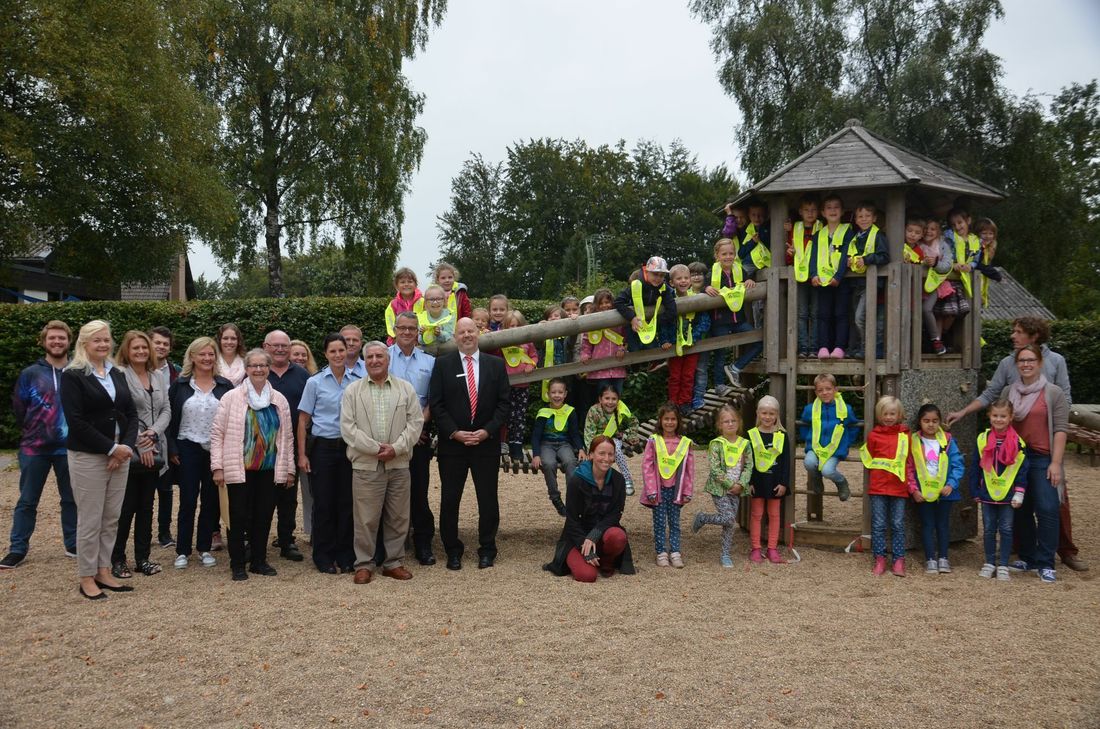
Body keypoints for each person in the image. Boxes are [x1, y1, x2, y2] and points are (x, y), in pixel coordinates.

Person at [944, 316, 1083, 572]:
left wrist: (1056, 456)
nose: (1013, 336)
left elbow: (1064, 404)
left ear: (1034, 336)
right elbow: (992, 395)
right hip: (1016, 452)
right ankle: (1027, 554)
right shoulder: (1009, 368)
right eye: (1013, 332)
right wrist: (964, 411)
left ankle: (1061, 553)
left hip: (1044, 449)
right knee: (1020, 504)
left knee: (1051, 504)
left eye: (1018, 332)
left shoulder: (1055, 365)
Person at [60, 320, 138, 600]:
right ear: (84, 344)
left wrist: (126, 446)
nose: (103, 344)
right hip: (89, 456)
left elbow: (130, 412)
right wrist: (110, 449)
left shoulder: (117, 372)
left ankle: (104, 570)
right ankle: (86, 576)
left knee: (111, 518)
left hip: (120, 456)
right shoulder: (73, 375)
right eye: (97, 340)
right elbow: (76, 422)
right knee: (90, 520)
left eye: (106, 340)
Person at [428, 317, 511, 570]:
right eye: (461, 332)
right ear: (455, 337)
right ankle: (452, 549)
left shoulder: (495, 365)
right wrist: (454, 432)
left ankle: (487, 548)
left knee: (487, 499)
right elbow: (437, 404)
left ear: (478, 334)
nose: (466, 335)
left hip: (486, 445)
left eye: (471, 331)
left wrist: (487, 432)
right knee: (450, 499)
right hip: (453, 445)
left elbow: (503, 404)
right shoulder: (442, 365)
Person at [340, 341, 424, 583]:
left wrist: (396, 449)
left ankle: (393, 563)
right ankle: (364, 564)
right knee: (366, 518)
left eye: (380, 356)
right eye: (370, 357)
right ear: (364, 361)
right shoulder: (353, 391)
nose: (375, 361)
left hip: (398, 464)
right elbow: (348, 429)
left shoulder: (405, 389)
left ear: (388, 360)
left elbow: (415, 423)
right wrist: (376, 449)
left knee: (398, 517)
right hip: (366, 465)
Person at [211, 348, 294, 581]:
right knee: (237, 517)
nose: (258, 369)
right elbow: (217, 433)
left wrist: (289, 470)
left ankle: (259, 560)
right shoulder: (231, 398)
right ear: (246, 369)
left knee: (264, 516)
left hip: (268, 469)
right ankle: (238, 564)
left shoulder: (279, 400)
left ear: (268, 369)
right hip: (239, 469)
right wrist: (217, 467)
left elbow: (287, 438)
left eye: (263, 365)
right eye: (254, 366)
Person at [2, 321, 77, 569]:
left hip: (70, 447)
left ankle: (73, 543)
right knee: (27, 500)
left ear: (69, 341)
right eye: (52, 338)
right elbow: (19, 408)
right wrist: (37, 431)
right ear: (44, 341)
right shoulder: (30, 373)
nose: (57, 342)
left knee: (71, 498)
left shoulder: (77, 372)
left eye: (62, 338)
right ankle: (17, 548)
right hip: (35, 448)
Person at [1003, 344, 1069, 583]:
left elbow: (1061, 429)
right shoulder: (1009, 391)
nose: (1026, 364)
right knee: (1020, 508)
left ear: (1040, 363)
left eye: (1031, 360)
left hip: (1042, 457)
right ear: (1016, 364)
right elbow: (1001, 423)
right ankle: (1028, 556)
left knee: (1047, 508)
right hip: (1017, 458)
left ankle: (1046, 562)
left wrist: (1056, 463)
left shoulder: (1053, 393)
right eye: (1021, 360)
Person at [167, 337, 233, 569]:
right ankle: (182, 550)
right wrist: (172, 448)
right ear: (192, 357)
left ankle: (204, 547)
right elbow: (171, 418)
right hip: (187, 448)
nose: (207, 358)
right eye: (202, 354)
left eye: (211, 354)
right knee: (187, 500)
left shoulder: (225, 386)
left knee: (211, 501)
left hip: (215, 450)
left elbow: (232, 421)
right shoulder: (181, 385)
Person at [110, 330, 171, 578]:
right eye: (135, 348)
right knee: (126, 508)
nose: (141, 352)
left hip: (157, 448)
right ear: (127, 350)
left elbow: (167, 409)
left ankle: (142, 557)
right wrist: (140, 443)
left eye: (144, 348)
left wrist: (154, 435)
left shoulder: (157, 376)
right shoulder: (119, 376)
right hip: (130, 450)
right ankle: (117, 559)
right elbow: (120, 413)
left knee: (147, 506)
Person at [298, 333, 360, 573]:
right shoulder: (315, 382)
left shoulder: (358, 379)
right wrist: (302, 455)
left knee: (347, 503)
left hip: (349, 449)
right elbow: (303, 420)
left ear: (347, 352)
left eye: (341, 350)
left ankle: (346, 555)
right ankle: (323, 555)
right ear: (325, 354)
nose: (338, 355)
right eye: (332, 351)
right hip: (322, 448)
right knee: (323, 503)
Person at [543, 435, 635, 581]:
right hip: (578, 536)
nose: (606, 458)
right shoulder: (577, 480)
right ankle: (585, 556)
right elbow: (572, 519)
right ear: (591, 454)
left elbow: (615, 514)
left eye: (610, 454)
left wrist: (594, 535)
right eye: (601, 453)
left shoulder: (618, 480)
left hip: (603, 532)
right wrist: (582, 544)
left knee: (618, 537)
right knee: (587, 576)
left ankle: (606, 560)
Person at [387, 311, 437, 565]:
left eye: (412, 328)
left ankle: (423, 543)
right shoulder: (382, 358)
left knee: (419, 492)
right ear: (395, 330)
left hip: (419, 437)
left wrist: (414, 429)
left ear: (418, 332)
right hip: (389, 438)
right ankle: (390, 545)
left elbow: (433, 399)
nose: (407, 332)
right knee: (388, 492)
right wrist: (400, 434)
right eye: (402, 328)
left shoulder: (430, 362)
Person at [264, 329, 309, 562]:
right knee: (261, 496)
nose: (280, 349)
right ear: (265, 347)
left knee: (288, 497)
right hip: (263, 447)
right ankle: (257, 539)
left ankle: (286, 540)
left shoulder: (301, 375)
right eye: (275, 345)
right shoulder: (257, 372)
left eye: (285, 345)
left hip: (291, 444)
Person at [970, 399, 1027, 581]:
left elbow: (1022, 470)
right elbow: (975, 467)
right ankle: (989, 562)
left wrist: (1020, 492)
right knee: (988, 529)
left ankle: (1003, 564)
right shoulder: (982, 439)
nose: (999, 419)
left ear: (1011, 417)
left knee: (1006, 529)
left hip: (1009, 496)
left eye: (1003, 416)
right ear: (989, 416)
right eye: (995, 415)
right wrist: (974, 490)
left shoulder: (1018, 443)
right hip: (987, 493)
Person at [907, 403, 964, 576]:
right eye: (926, 421)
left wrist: (951, 484)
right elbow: (908, 467)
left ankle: (944, 558)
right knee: (927, 524)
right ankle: (930, 558)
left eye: (935, 421)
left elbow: (958, 464)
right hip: (923, 493)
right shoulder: (913, 440)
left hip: (944, 492)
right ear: (919, 422)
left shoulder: (947, 440)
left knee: (942, 525)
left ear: (940, 422)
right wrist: (913, 489)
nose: (931, 424)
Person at [691, 404, 751, 567]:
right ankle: (703, 518)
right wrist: (729, 484)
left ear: (739, 423)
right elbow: (715, 469)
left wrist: (741, 484)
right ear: (720, 425)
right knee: (729, 518)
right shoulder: (716, 444)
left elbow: (749, 466)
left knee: (729, 524)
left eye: (733, 420)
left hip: (737, 489)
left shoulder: (744, 444)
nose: (730, 424)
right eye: (726, 421)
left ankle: (725, 554)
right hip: (719, 489)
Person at [861, 396, 910, 576]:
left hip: (899, 487)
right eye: (885, 413)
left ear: (899, 415)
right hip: (879, 487)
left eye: (892, 413)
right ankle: (879, 558)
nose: (888, 417)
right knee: (879, 524)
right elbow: (868, 457)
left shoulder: (905, 435)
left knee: (897, 524)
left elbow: (909, 459)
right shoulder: (874, 435)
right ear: (879, 415)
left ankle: (899, 560)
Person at [641, 404, 693, 568]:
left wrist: (687, 490)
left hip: (675, 489)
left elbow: (690, 469)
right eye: (666, 419)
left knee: (675, 522)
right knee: (659, 522)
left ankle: (675, 551)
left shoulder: (684, 443)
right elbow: (647, 465)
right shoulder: (653, 441)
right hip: (658, 488)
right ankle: (661, 552)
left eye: (673, 419)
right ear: (660, 420)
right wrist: (651, 489)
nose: (669, 422)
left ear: (678, 421)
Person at [704, 239, 755, 392]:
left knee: (758, 340)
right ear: (717, 256)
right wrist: (706, 288)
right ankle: (719, 385)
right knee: (721, 352)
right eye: (724, 254)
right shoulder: (712, 272)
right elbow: (702, 288)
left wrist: (750, 281)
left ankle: (735, 367)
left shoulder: (739, 269)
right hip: (720, 320)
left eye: (731, 253)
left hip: (738, 319)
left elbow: (747, 281)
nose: (728, 257)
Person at [530, 378, 586, 516]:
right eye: (553, 392)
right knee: (548, 463)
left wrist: (581, 448)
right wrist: (536, 454)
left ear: (565, 394)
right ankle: (555, 497)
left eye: (560, 392)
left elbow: (574, 433)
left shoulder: (570, 411)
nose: (557, 395)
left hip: (564, 444)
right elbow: (536, 436)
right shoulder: (543, 412)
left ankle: (572, 497)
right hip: (546, 445)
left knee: (570, 462)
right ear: (548, 394)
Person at [801, 373, 860, 501]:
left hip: (835, 450)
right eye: (820, 390)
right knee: (809, 462)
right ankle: (817, 480)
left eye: (828, 389)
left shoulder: (846, 409)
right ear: (816, 392)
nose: (825, 393)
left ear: (835, 389)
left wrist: (847, 442)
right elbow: (804, 424)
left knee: (827, 471)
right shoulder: (810, 409)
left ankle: (841, 482)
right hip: (815, 447)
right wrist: (807, 437)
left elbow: (855, 425)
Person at [746, 395, 791, 564]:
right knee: (756, 514)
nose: (767, 417)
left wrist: (784, 483)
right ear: (758, 413)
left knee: (774, 515)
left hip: (776, 482)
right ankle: (756, 548)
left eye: (771, 413)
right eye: (764, 413)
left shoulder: (782, 435)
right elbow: (748, 460)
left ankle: (772, 548)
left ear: (777, 415)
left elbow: (786, 461)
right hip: (757, 482)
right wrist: (749, 482)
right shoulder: (751, 435)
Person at [810, 194, 855, 358]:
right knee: (823, 314)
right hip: (822, 281)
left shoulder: (848, 232)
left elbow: (845, 255)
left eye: (836, 207)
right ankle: (823, 347)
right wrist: (813, 274)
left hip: (840, 280)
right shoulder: (819, 235)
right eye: (829, 207)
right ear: (823, 212)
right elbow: (813, 256)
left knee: (841, 313)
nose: (833, 210)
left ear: (842, 211)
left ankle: (839, 347)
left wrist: (838, 276)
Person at [149, 326, 180, 547]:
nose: (161, 347)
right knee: (144, 487)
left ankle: (164, 532)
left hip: (170, 432)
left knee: (166, 486)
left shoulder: (176, 371)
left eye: (165, 344)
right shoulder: (136, 368)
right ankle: (143, 532)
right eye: (157, 342)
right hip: (144, 432)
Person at [666, 264, 710, 415]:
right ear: (672, 282)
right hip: (675, 345)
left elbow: (705, 321)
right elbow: (663, 322)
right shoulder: (667, 299)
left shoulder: (696, 298)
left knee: (688, 375)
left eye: (686, 278)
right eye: (679, 278)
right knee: (675, 376)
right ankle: (673, 404)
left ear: (690, 280)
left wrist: (695, 337)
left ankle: (684, 402)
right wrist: (667, 339)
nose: (683, 281)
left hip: (691, 344)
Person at [848, 201, 890, 359]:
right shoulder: (855, 236)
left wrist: (867, 259)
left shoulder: (878, 235)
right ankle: (860, 347)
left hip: (871, 284)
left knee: (860, 317)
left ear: (874, 218)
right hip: (856, 283)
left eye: (867, 216)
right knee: (856, 318)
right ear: (856, 220)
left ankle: (868, 348)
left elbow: (885, 256)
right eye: (860, 216)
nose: (864, 219)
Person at [583, 384, 641, 495]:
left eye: (614, 399)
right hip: (597, 439)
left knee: (617, 451)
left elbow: (633, 422)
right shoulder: (594, 411)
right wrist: (590, 449)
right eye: (607, 398)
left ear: (618, 400)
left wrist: (632, 436)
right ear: (600, 399)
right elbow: (588, 432)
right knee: (594, 459)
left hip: (612, 439)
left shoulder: (621, 409)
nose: (610, 402)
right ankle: (594, 483)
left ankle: (627, 478)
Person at [613, 256, 677, 352]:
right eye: (655, 274)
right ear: (647, 272)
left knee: (652, 350)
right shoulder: (635, 285)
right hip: (634, 325)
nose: (658, 278)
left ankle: (653, 366)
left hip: (651, 327)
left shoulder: (665, 289)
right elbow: (618, 302)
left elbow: (672, 310)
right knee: (634, 350)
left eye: (662, 275)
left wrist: (656, 322)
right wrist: (632, 318)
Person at [500, 310, 538, 460]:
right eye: (509, 326)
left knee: (519, 416)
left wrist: (532, 365)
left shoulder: (527, 342)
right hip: (505, 385)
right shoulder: (502, 341)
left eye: (516, 326)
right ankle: (502, 443)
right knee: (504, 414)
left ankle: (516, 445)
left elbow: (534, 355)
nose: (513, 329)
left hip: (522, 385)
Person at [788, 194, 821, 357]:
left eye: (813, 210)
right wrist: (790, 253)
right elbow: (789, 254)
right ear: (800, 212)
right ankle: (802, 348)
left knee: (815, 313)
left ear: (818, 212)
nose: (810, 213)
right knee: (801, 314)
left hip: (818, 276)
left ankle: (814, 348)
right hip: (800, 276)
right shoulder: (795, 228)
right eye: (806, 210)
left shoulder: (822, 227)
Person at [579, 288, 627, 395]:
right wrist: (585, 354)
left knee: (617, 396)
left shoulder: (619, 319)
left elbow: (625, 338)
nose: (605, 305)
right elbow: (586, 341)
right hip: (600, 368)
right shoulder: (593, 322)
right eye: (601, 303)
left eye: (607, 302)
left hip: (617, 366)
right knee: (603, 396)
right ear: (596, 305)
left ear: (612, 302)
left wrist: (622, 348)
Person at [917, 218, 953, 356]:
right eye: (926, 228)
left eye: (933, 229)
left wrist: (935, 263)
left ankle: (937, 341)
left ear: (938, 232)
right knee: (920, 313)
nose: (928, 231)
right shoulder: (917, 245)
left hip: (936, 284)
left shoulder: (942, 245)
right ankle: (926, 343)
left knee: (927, 309)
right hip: (919, 285)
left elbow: (947, 265)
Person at [384, 267, 423, 343]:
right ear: (397, 286)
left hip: (420, 340)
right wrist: (395, 337)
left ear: (415, 284)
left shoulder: (423, 302)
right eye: (402, 282)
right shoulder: (393, 304)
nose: (406, 284)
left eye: (410, 282)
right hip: (398, 340)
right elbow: (390, 324)